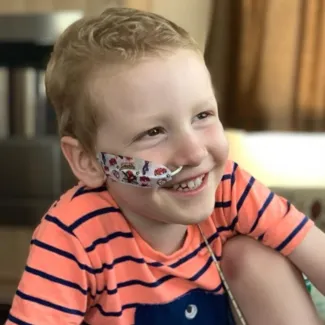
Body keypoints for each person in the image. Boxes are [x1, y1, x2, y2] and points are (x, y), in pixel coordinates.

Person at [5, 7, 325, 325]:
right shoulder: (75, 232)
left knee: (254, 257)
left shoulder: (229, 188)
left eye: (202, 116)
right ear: (88, 161)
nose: (194, 152)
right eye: (153, 133)